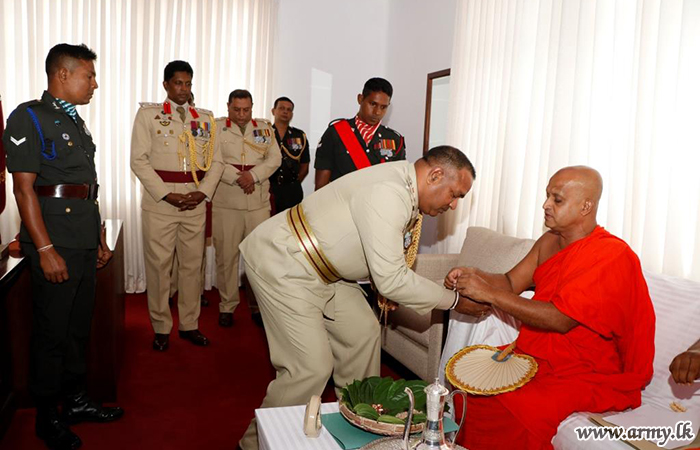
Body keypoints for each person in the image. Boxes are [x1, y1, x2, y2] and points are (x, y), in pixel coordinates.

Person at [238, 146, 478, 450]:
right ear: (435, 175)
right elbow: (392, 280)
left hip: (327, 271)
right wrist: (453, 301)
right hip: (285, 260)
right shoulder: (390, 192)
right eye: (455, 195)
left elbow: (371, 253)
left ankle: (358, 426)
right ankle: (253, 445)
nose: (454, 205)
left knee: (363, 333)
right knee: (310, 368)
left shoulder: (403, 189)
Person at [446, 166, 656, 450]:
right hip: (536, 353)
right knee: (470, 386)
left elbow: (560, 319)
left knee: (520, 409)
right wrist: (473, 275)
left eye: (557, 199)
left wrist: (489, 293)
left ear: (585, 207)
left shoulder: (611, 254)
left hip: (585, 370)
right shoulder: (549, 241)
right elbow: (510, 282)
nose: (545, 205)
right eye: (547, 196)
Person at [3, 43, 123, 450]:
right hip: (55, 241)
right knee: (51, 333)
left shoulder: (74, 121)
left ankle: (74, 401)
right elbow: (24, 190)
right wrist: (45, 250)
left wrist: (98, 237)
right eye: (89, 75)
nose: (95, 84)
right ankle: (46, 416)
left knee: (76, 328)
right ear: (63, 75)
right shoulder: (29, 117)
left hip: (82, 239)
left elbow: (84, 187)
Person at [130, 61, 223, 351]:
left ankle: (189, 324)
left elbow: (217, 161)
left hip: (194, 202)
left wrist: (203, 192)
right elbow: (138, 161)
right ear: (166, 85)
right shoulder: (149, 115)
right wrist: (165, 194)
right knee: (159, 267)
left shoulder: (205, 119)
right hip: (161, 203)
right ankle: (161, 327)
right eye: (178, 83)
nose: (184, 89)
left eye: (188, 83)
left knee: (193, 266)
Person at [212, 89, 281, 328]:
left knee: (258, 259)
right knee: (226, 258)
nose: (241, 115)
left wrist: (253, 175)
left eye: (246, 109)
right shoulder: (216, 128)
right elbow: (212, 160)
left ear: (252, 107)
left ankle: (257, 305)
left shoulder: (265, 128)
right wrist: (238, 178)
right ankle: (227, 306)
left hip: (257, 205)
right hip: (226, 204)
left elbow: (275, 159)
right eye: (236, 109)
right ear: (228, 106)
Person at [314, 77, 405, 190]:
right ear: (360, 99)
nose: (377, 112)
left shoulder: (394, 139)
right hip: (342, 200)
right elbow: (320, 187)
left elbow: (397, 185)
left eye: (383, 107)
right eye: (373, 104)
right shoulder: (336, 132)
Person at [269, 96, 310, 214]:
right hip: (268, 188)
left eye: (289, 110)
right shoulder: (264, 133)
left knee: (291, 222)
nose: (285, 112)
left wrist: (294, 184)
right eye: (281, 108)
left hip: (292, 191)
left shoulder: (299, 136)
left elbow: (304, 165)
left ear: (292, 114)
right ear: (273, 111)